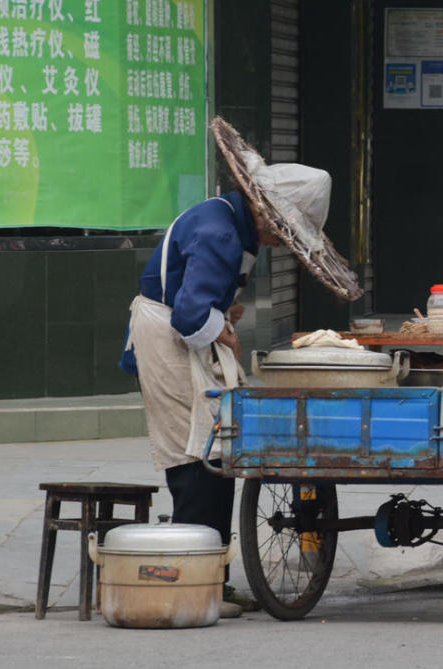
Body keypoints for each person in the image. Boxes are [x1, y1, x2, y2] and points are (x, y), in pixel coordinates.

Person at [120, 154, 333, 619]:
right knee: (195, 457)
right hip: (168, 342)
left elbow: (202, 298)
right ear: (264, 211)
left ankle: (214, 576)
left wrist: (225, 316)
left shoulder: (229, 222)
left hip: (181, 338)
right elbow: (191, 315)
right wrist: (224, 330)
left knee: (219, 455)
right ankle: (192, 579)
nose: (279, 240)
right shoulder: (219, 231)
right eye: (281, 229)